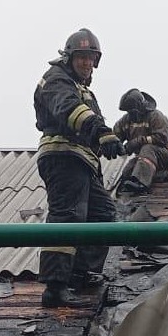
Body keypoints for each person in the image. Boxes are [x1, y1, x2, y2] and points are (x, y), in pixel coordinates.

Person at [32, 28, 124, 308]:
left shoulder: (83, 89)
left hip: (83, 160)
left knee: (104, 215)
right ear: (69, 57)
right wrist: (100, 131)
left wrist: (107, 141)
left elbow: (88, 118)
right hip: (62, 156)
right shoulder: (56, 80)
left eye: (91, 58)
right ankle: (55, 286)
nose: (86, 63)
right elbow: (69, 110)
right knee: (68, 216)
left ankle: (79, 274)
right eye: (81, 57)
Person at [112, 88, 168, 194]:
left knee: (147, 148)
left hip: (166, 154)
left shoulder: (156, 116)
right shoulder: (125, 121)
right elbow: (114, 136)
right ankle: (165, 175)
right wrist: (115, 145)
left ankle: (141, 184)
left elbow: (162, 138)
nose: (130, 114)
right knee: (128, 171)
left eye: (132, 110)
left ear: (140, 107)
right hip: (145, 157)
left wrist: (137, 142)